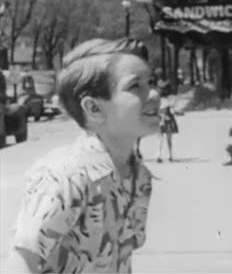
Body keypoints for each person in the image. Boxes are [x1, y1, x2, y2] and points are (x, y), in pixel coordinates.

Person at [5, 38, 160, 273]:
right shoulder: (66, 177)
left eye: (151, 82)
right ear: (94, 108)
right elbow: (22, 263)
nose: (155, 94)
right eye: (135, 86)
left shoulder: (140, 178)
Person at [157, 81, 178, 162]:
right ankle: (170, 155)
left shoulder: (158, 99)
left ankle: (159, 156)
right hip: (168, 119)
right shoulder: (171, 99)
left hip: (160, 120)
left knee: (160, 138)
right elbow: (172, 110)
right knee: (169, 139)